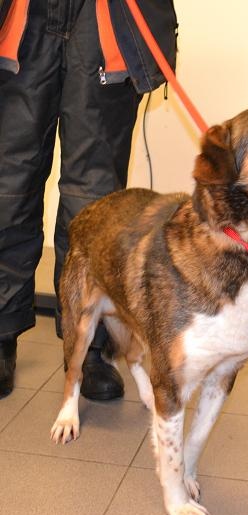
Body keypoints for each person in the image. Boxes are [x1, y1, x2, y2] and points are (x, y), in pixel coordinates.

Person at [0, 0, 178, 399]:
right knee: (7, 190)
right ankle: (2, 332)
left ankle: (90, 348)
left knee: (93, 201)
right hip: (22, 16)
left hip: (104, 18)